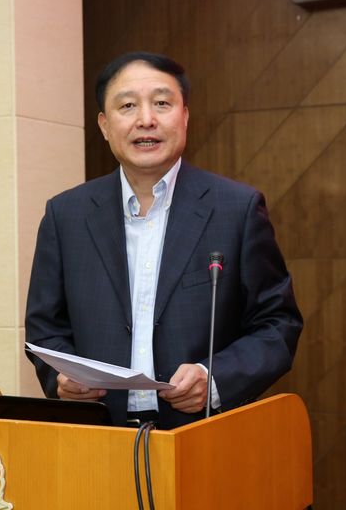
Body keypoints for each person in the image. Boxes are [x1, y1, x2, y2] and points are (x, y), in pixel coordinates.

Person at [25, 51, 302, 430]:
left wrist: (215, 379)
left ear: (185, 116)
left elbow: (278, 324)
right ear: (104, 125)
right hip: (98, 437)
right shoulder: (66, 215)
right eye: (127, 106)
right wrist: (61, 380)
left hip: (200, 436)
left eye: (161, 103)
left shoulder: (237, 209)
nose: (146, 119)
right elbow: (45, 327)